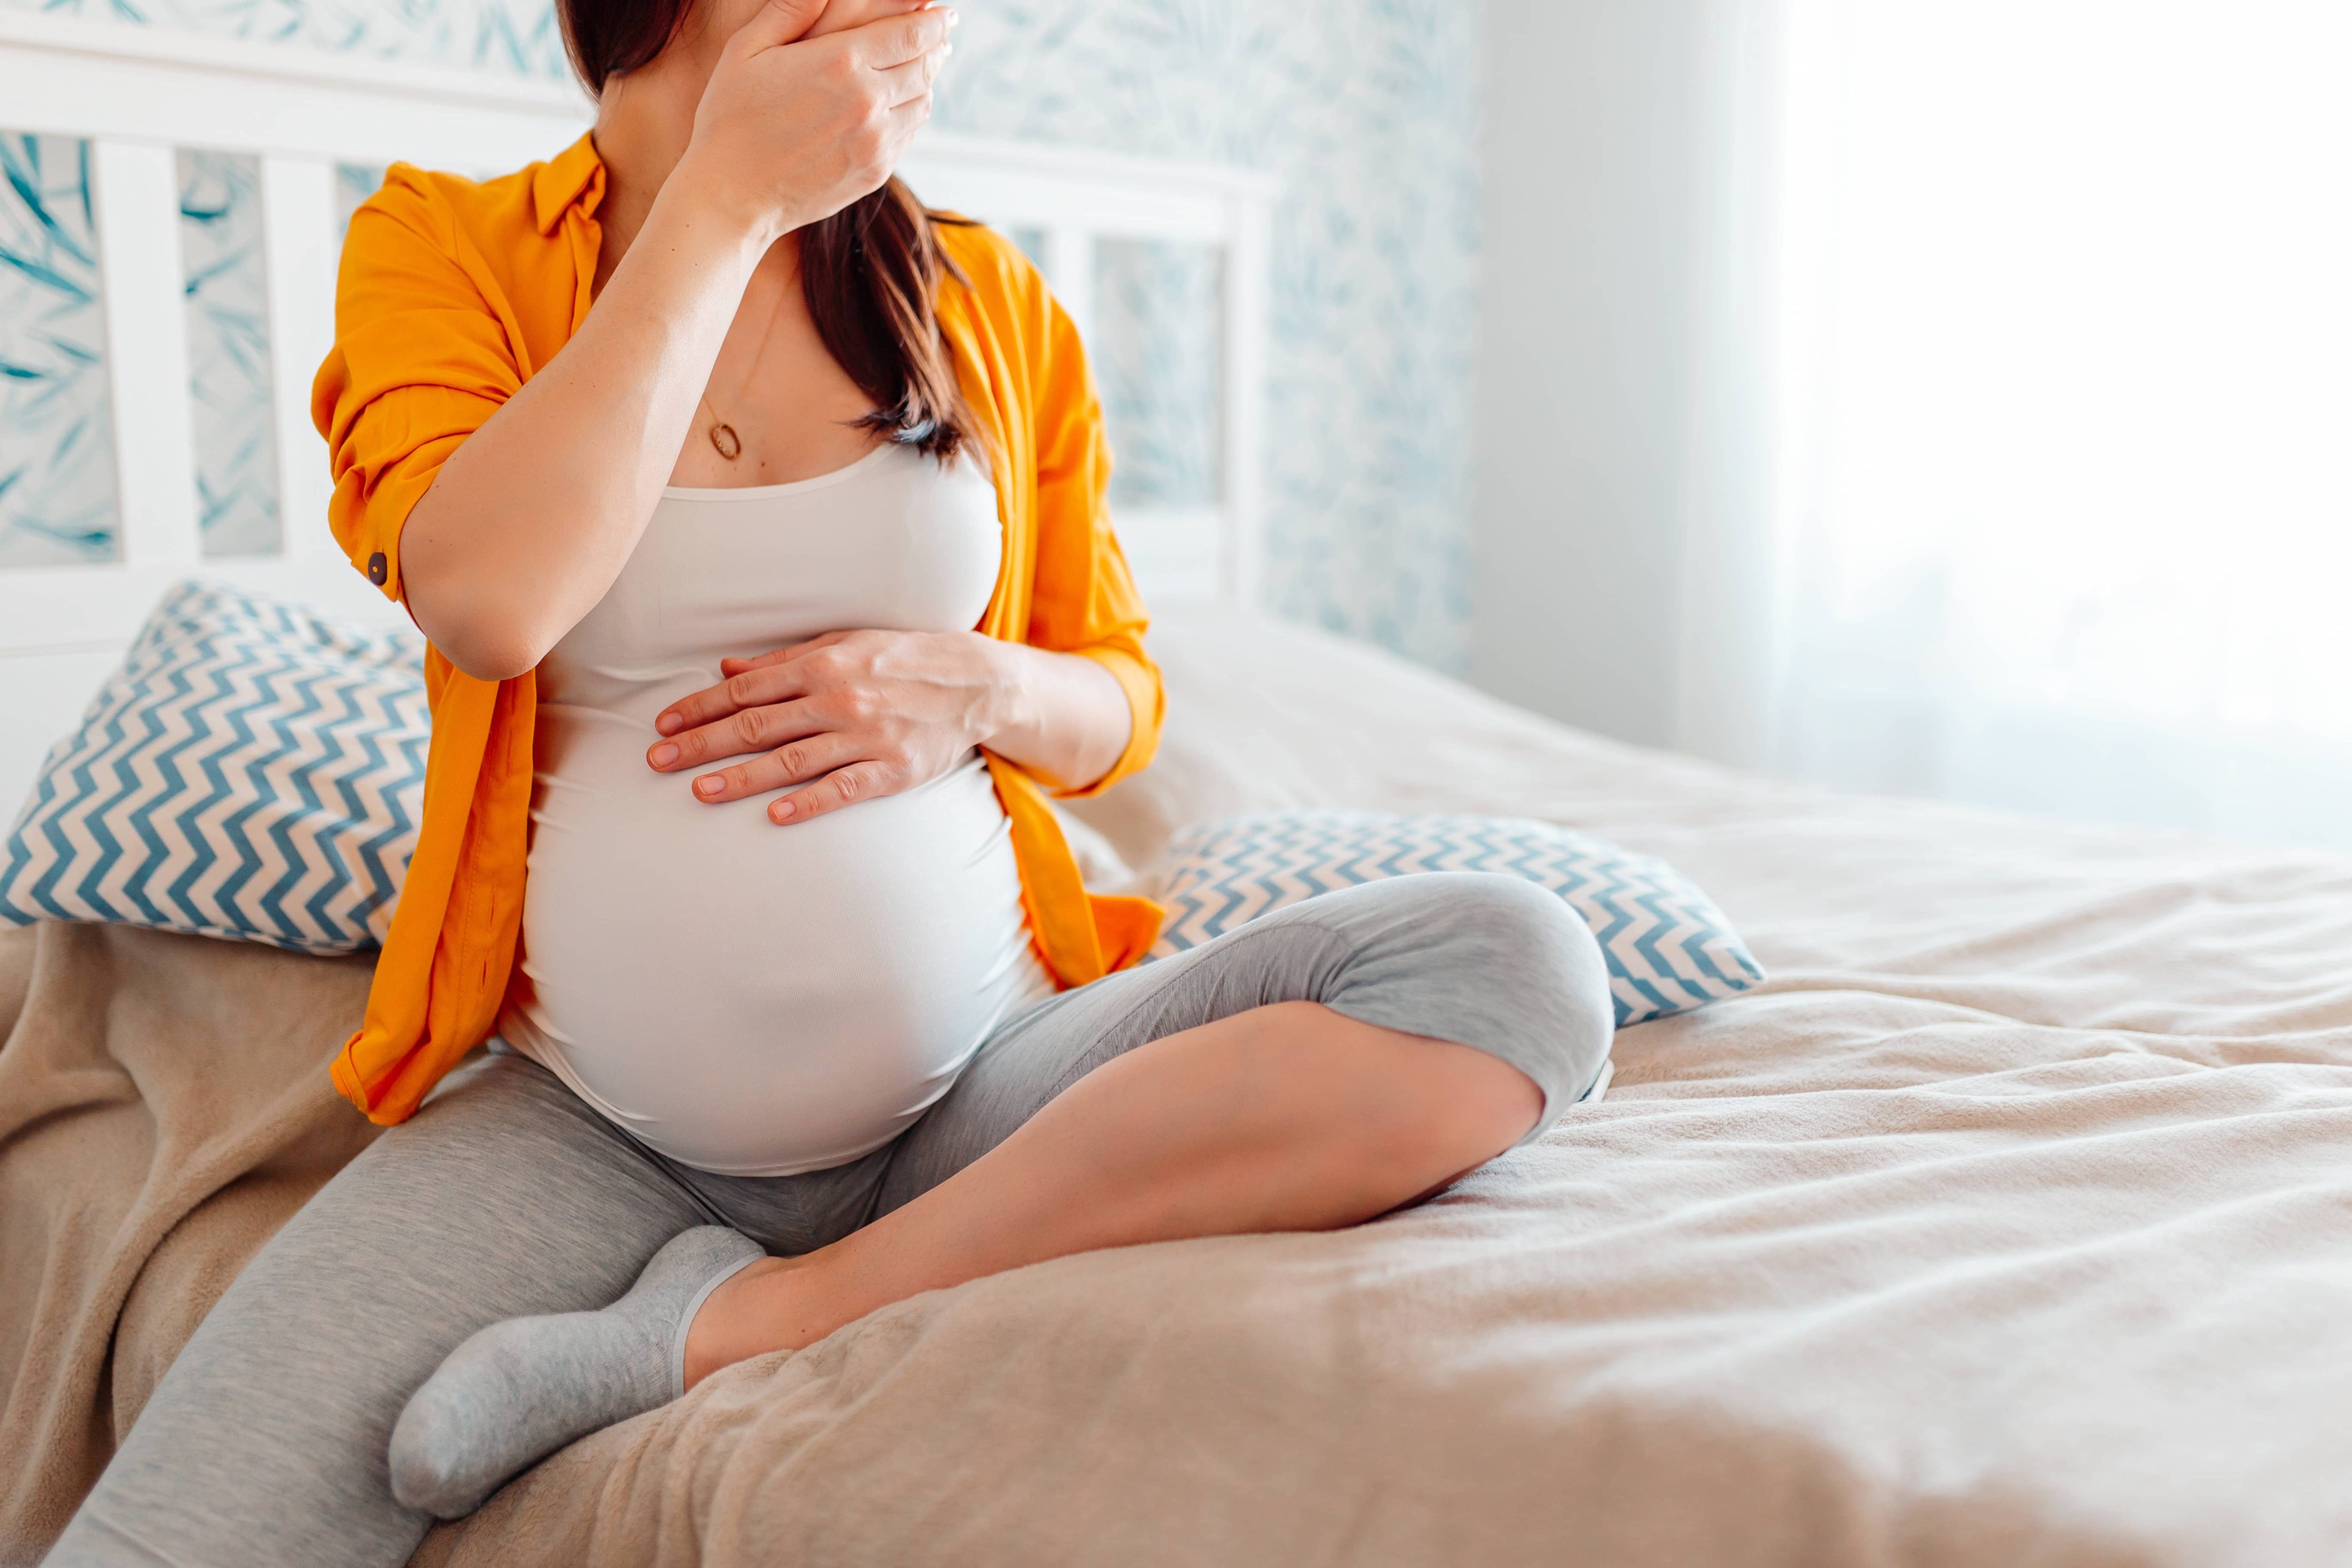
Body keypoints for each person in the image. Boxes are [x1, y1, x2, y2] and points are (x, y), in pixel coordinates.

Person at [45, 0, 1613, 1561]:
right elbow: (488, 597)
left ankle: (745, 1320)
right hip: (597, 1128)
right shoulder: (445, 247)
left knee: (1515, 969)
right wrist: (724, 202)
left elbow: (1116, 695)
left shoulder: (983, 297)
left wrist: (977, 685)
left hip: (992, 1092)